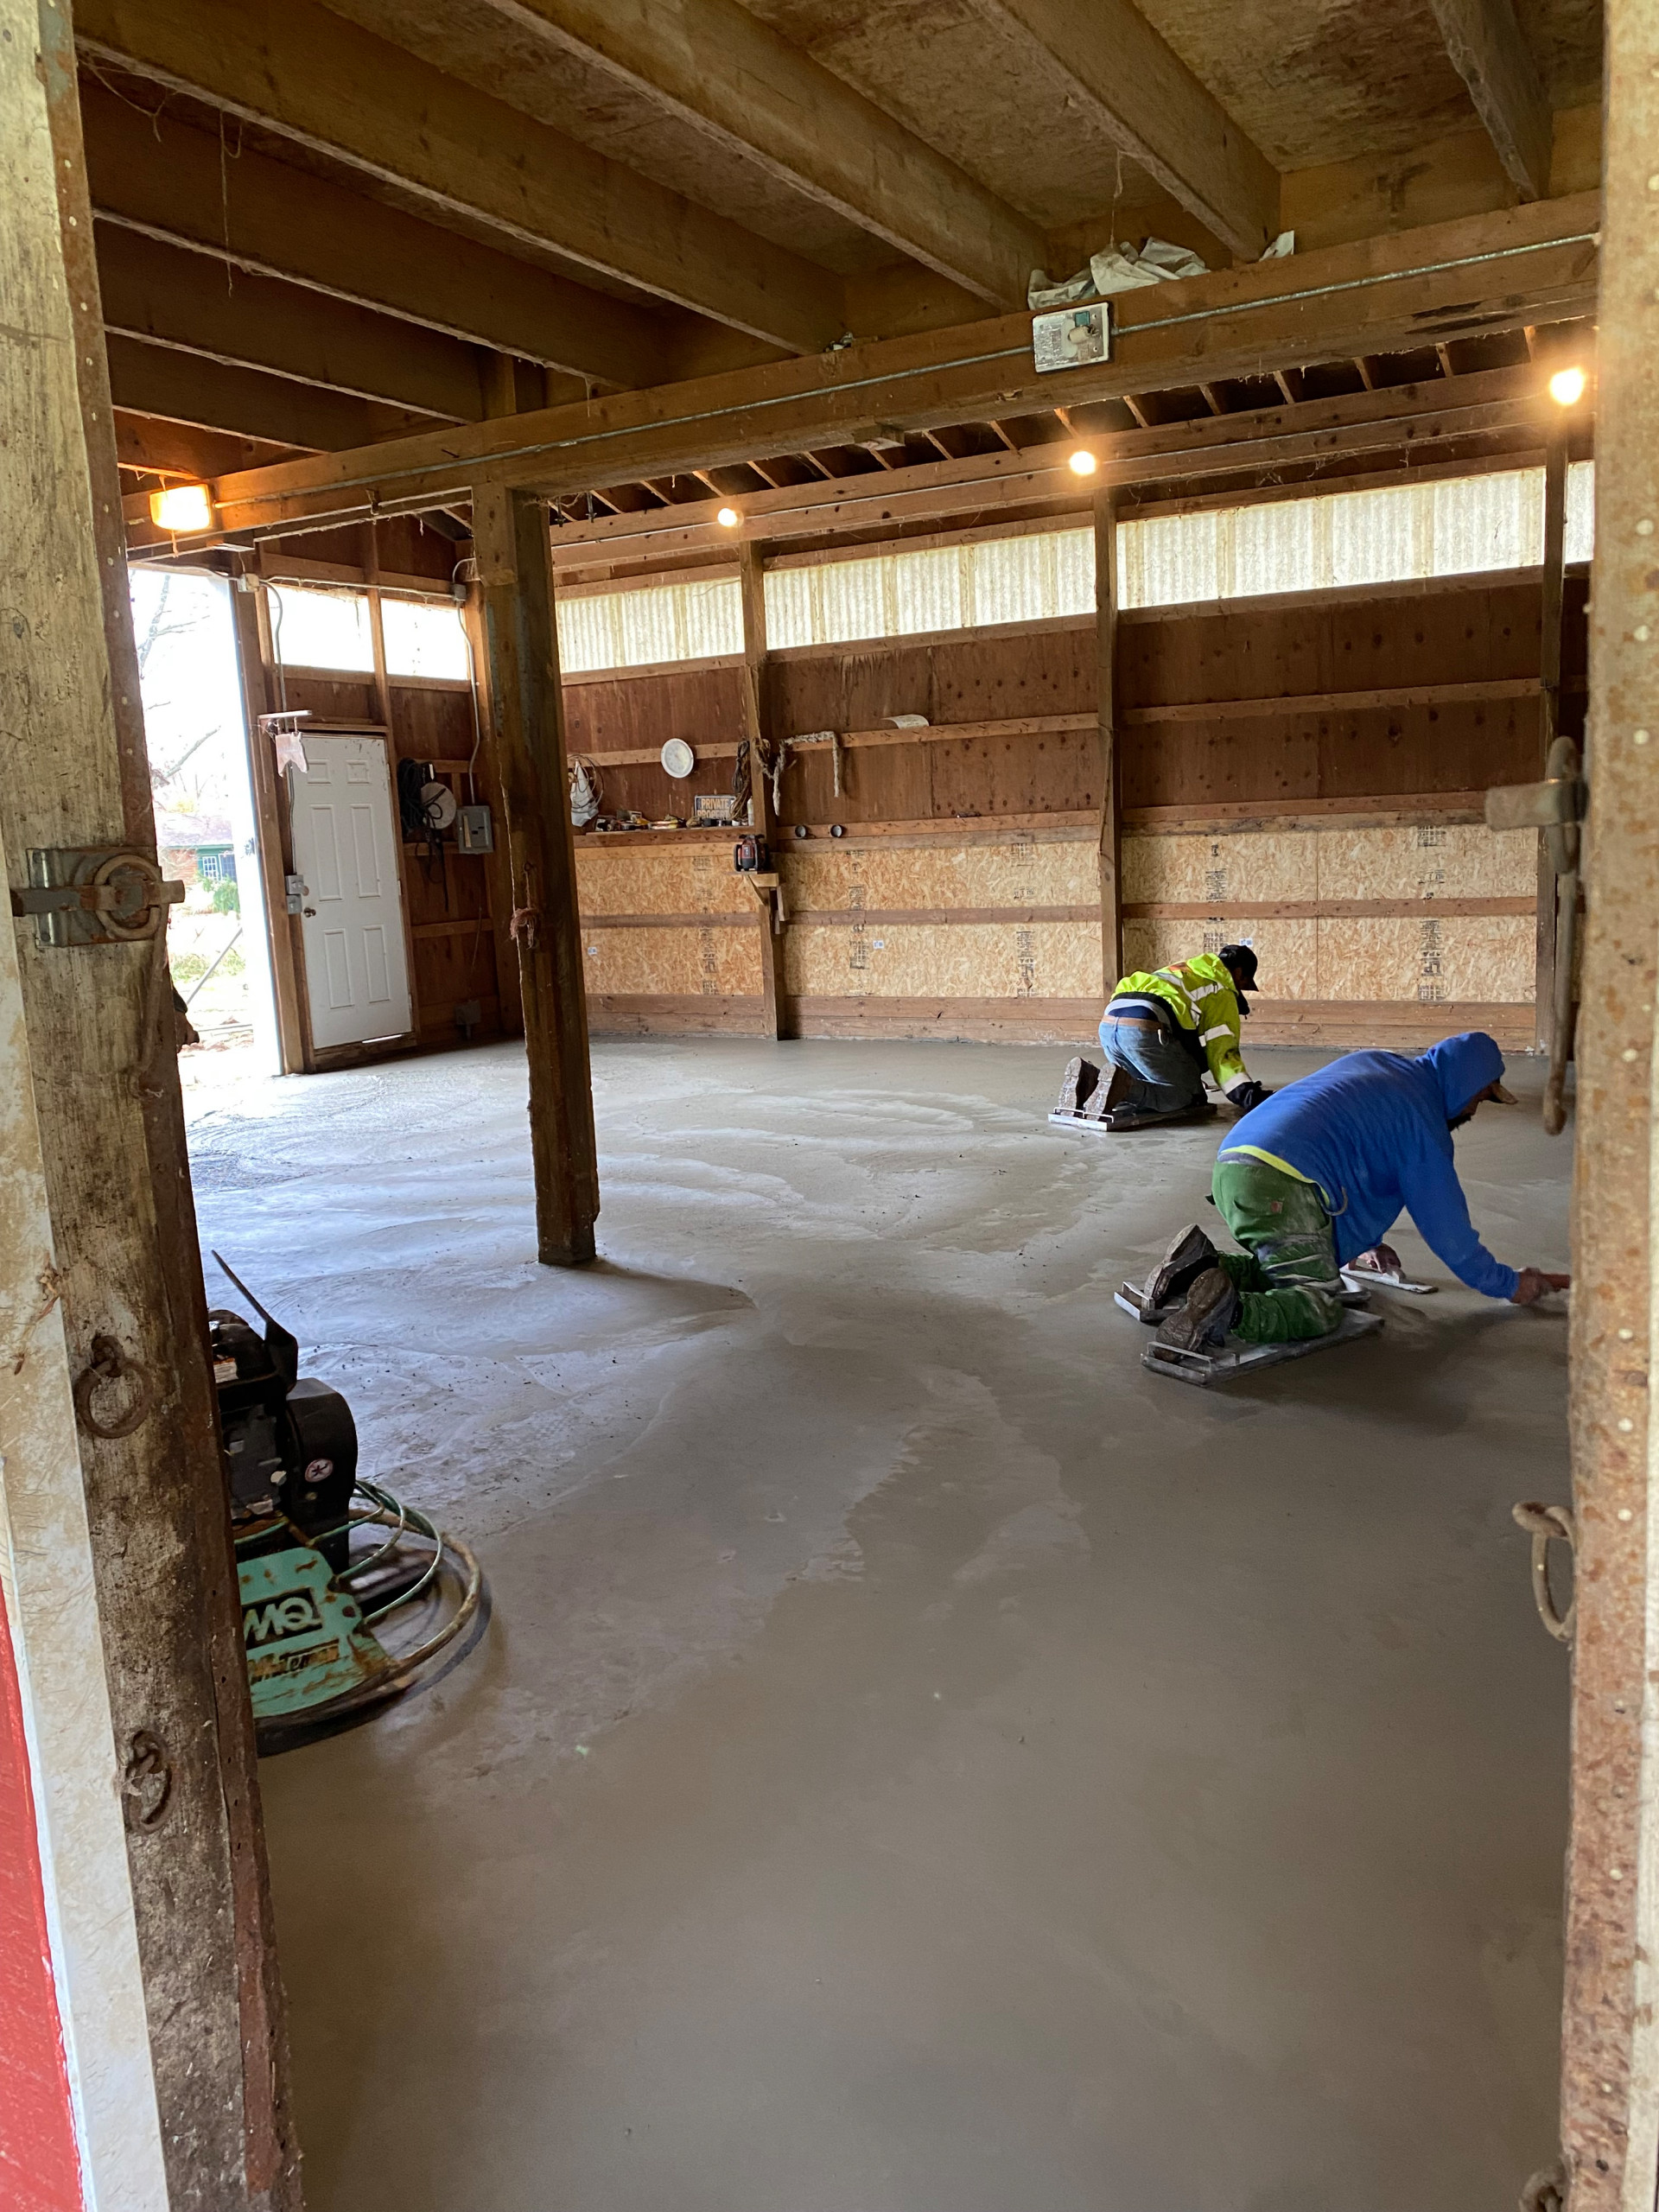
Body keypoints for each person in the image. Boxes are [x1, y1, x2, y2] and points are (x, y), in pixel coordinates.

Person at [1143, 1030, 1570, 1351]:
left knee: (1288, 1271)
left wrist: (1370, 1242)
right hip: (1284, 1186)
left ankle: (1196, 1267)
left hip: (1235, 1164)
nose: (1475, 1110)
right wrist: (1509, 1285)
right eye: (1480, 1098)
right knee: (1318, 1305)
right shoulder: (1422, 1124)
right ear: (1465, 1084)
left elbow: (1346, 1142)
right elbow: (1450, 1237)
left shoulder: (1380, 1064)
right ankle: (1227, 1313)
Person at [1060, 943, 1271, 1130]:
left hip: (1109, 1025)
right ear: (1238, 972)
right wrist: (1247, 1095)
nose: (1241, 991)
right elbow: (1223, 1053)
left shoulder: (1185, 971)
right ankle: (1125, 1088)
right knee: (1186, 1096)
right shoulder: (1221, 990)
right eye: (1244, 983)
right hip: (1144, 1028)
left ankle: (1090, 1080)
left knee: (1145, 1079)